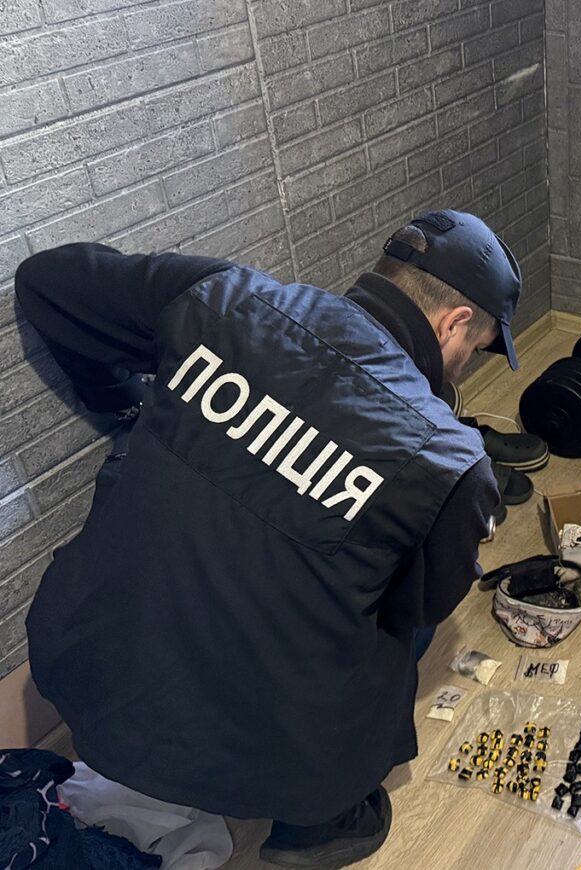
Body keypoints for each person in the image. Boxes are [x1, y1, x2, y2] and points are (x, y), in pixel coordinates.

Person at [13, 208, 521, 868]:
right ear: (454, 323)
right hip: (263, 759)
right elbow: (418, 606)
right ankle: (324, 821)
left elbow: (45, 281)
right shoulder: (449, 461)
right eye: (474, 349)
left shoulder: (222, 298)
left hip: (82, 668)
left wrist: (131, 409)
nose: (462, 368)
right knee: (403, 626)